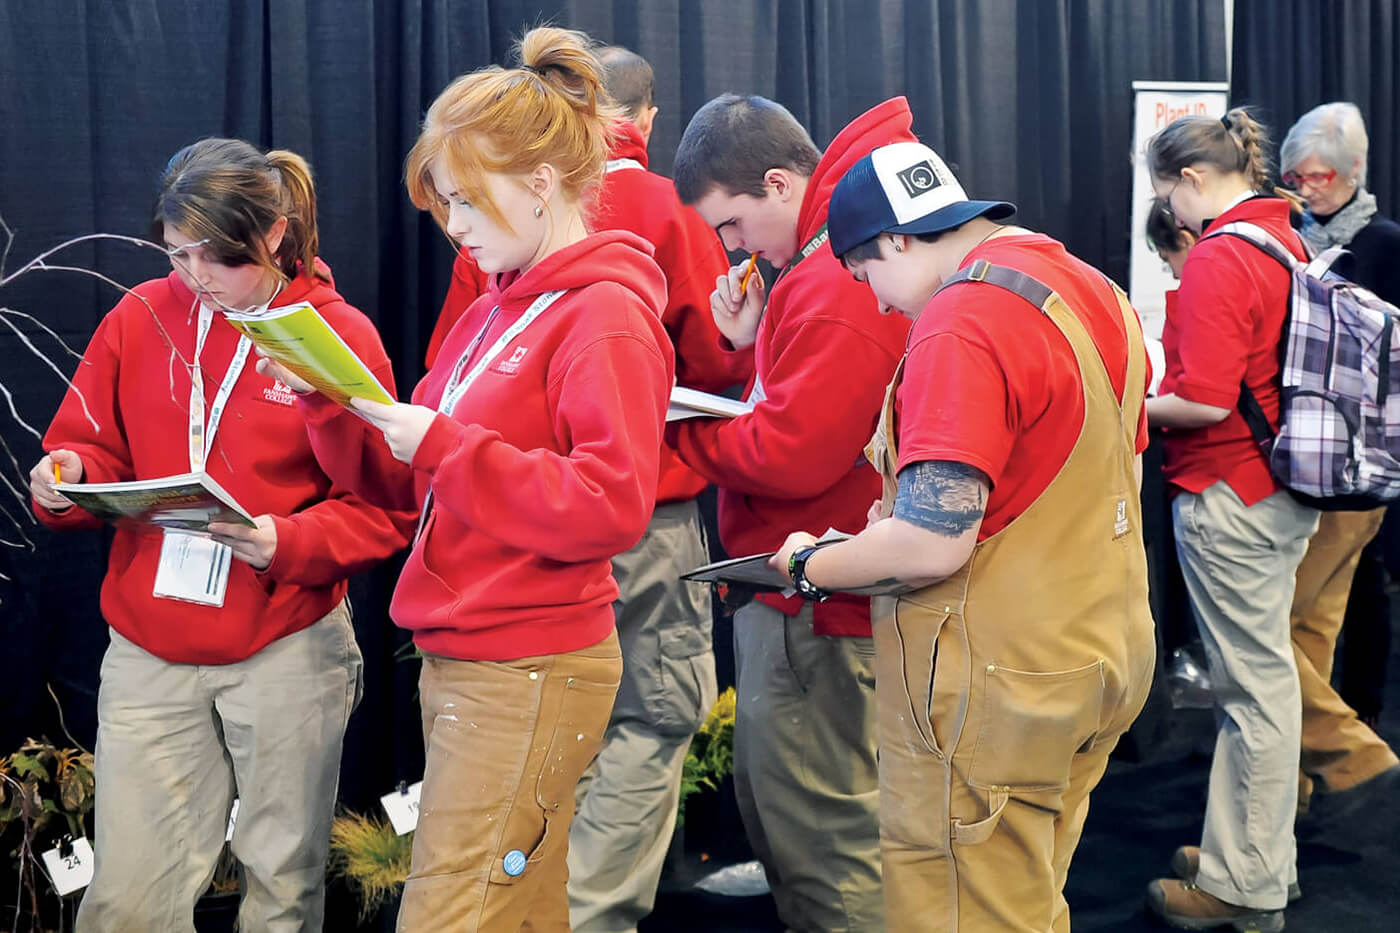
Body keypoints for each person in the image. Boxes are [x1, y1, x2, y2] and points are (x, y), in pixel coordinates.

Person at [264, 27, 675, 931]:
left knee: (457, 907)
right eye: (445, 202)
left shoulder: (603, 315)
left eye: (465, 200)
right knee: (515, 903)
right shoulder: (492, 309)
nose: (453, 224)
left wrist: (446, 444)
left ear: (538, 184)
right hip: (476, 652)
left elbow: (609, 506)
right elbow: (411, 483)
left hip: (529, 659)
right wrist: (331, 405)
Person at [27, 137, 412, 932]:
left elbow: (387, 505)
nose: (195, 276)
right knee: (128, 893)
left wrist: (289, 543)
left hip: (285, 640)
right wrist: (66, 475)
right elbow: (89, 443)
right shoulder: (140, 314)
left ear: (272, 235)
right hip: (150, 644)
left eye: (215, 258)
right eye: (177, 253)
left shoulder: (332, 334)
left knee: (282, 883)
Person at [772, 140, 1156, 932]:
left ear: (898, 240)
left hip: (998, 685)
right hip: (1100, 655)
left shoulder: (962, 317)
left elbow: (930, 543)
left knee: (964, 909)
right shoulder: (1092, 288)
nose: (878, 303)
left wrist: (814, 561)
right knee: (1026, 898)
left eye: (865, 274)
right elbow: (1108, 475)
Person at [667, 93, 913, 932]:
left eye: (733, 224)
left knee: (826, 834)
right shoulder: (818, 266)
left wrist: (682, 438)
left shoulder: (837, 278)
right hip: (806, 583)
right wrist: (750, 344)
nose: (731, 248)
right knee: (802, 814)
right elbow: (804, 418)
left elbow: (796, 451)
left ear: (779, 184)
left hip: (820, 595)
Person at [562, 45, 749, 933]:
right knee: (650, 717)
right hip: (644, 507)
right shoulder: (667, 204)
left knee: (555, 718)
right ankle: (590, 915)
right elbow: (714, 359)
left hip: (531, 510)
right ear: (646, 121)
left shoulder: (507, 206)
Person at [1143, 109, 1319, 932]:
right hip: (1278, 492)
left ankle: (1244, 887)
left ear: (1192, 180)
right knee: (1263, 685)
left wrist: (1132, 409)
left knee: (1253, 694)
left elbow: (1204, 398)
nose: (1170, 216)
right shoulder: (1286, 241)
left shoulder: (1219, 255)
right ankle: (1249, 855)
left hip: (1231, 495)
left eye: (1166, 197)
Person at [1279, 102, 1400, 805]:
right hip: (1309, 455)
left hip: (1358, 455)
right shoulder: (1289, 237)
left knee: (1283, 627)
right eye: (1295, 175)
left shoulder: (1384, 243)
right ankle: (1296, 772)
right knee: (1308, 623)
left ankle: (1349, 746)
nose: (1307, 186)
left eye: (1319, 175)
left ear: (1353, 172)